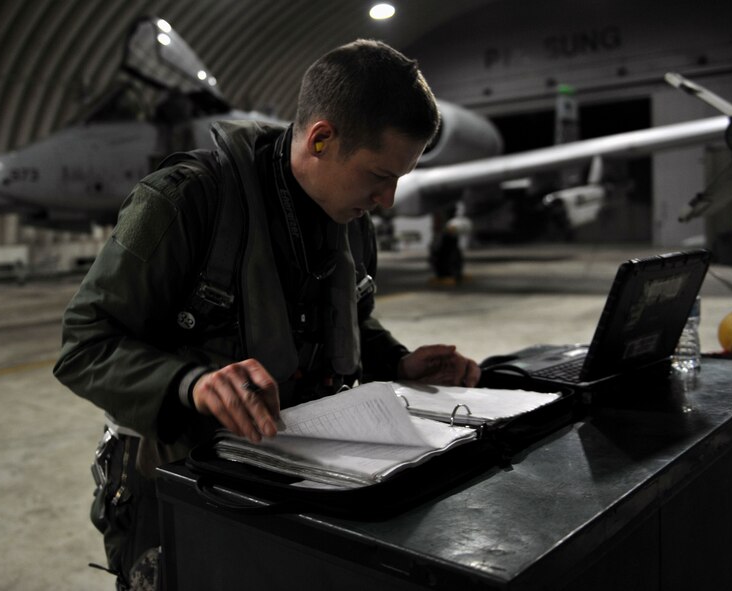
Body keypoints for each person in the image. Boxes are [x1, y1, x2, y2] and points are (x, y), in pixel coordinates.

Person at [54, 39, 481, 591]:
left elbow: (350, 322)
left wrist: (399, 362)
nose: (388, 200)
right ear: (321, 138)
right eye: (379, 175)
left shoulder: (349, 219)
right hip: (182, 486)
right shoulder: (186, 201)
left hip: (300, 479)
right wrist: (191, 383)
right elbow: (84, 345)